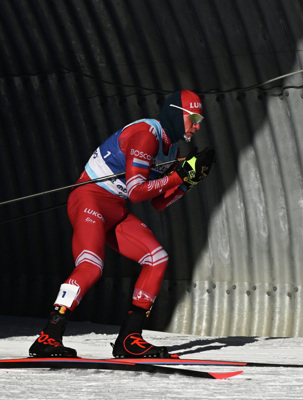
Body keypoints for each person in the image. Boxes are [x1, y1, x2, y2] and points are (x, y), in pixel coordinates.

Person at [29, 90, 215, 358]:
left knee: (157, 258)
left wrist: (189, 181)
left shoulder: (171, 148)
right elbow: (137, 191)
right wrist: (179, 177)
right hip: (90, 198)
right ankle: (49, 335)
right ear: (177, 114)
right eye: (193, 117)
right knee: (91, 266)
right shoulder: (146, 136)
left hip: (115, 208)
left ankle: (129, 338)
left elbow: (158, 203)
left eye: (200, 119)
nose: (197, 125)